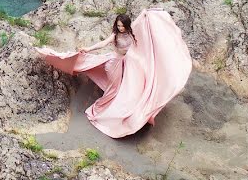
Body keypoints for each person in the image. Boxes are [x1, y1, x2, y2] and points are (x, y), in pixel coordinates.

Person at [35, 8, 192, 138]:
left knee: (131, 88)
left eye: (122, 26)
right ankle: (102, 112)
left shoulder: (132, 32)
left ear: (127, 25)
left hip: (129, 64)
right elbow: (103, 43)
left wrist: (147, 13)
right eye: (118, 25)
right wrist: (88, 49)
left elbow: (142, 22)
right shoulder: (115, 35)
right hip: (114, 63)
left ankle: (129, 111)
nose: (120, 28)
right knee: (115, 89)